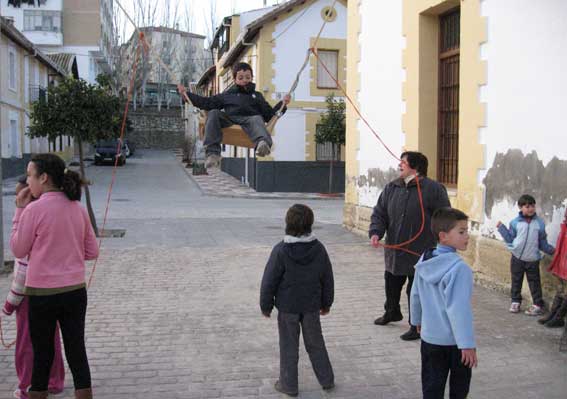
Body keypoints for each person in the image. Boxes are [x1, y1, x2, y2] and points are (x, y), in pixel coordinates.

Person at [10, 154, 99, 399]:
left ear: (44, 178)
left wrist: (19, 211)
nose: (28, 181)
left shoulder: (32, 211)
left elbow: (18, 249)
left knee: (43, 353)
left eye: (30, 175)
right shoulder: (77, 209)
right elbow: (92, 251)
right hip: (74, 291)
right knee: (76, 350)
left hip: (41, 294)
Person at [369, 151, 450, 341]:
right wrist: (375, 232)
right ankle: (392, 312)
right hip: (395, 249)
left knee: (415, 291)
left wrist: (444, 240)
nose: (399, 166)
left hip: (420, 251)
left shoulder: (434, 189)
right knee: (391, 283)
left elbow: (444, 216)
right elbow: (379, 213)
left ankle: (416, 325)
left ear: (415, 167)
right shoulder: (392, 187)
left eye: (403, 163)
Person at [260, 204, 334, 397]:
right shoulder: (319, 249)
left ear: (287, 224)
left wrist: (265, 306)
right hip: (311, 307)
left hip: (287, 309)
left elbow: (269, 280)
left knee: (288, 347)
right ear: (310, 224)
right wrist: (327, 303)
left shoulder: (280, 250)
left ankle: (289, 385)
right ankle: (327, 380)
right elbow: (327, 278)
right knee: (316, 344)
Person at [2, 175, 65, 399]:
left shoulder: (28, 226)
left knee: (27, 345)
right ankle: (55, 381)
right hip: (56, 289)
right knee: (52, 339)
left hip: (30, 296)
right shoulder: (51, 218)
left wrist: (8, 305)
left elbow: (22, 271)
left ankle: (28, 385)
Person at [410, 207, 478, 399]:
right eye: (462, 231)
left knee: (432, 387)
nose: (467, 236)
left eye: (467, 231)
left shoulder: (425, 259)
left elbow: (415, 294)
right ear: (443, 236)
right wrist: (467, 344)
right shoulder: (460, 269)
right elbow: (459, 309)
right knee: (459, 389)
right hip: (455, 343)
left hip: (430, 339)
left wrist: (416, 321)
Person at [178, 62, 291, 168]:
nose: (244, 80)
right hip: (230, 119)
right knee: (213, 113)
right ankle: (212, 153)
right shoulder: (227, 95)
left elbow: (269, 115)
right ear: (235, 79)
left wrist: (283, 104)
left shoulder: (257, 96)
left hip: (250, 120)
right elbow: (207, 103)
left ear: (252, 78)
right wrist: (187, 95)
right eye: (241, 78)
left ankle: (263, 144)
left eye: (248, 77)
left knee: (257, 118)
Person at [497, 194, 555, 316]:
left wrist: (553, 251)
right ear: (520, 207)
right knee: (516, 280)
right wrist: (501, 228)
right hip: (517, 257)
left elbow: (542, 242)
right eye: (527, 206)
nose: (531, 209)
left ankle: (537, 304)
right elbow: (510, 239)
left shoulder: (539, 223)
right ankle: (515, 301)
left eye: (533, 206)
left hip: (532, 259)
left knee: (534, 282)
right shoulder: (515, 223)